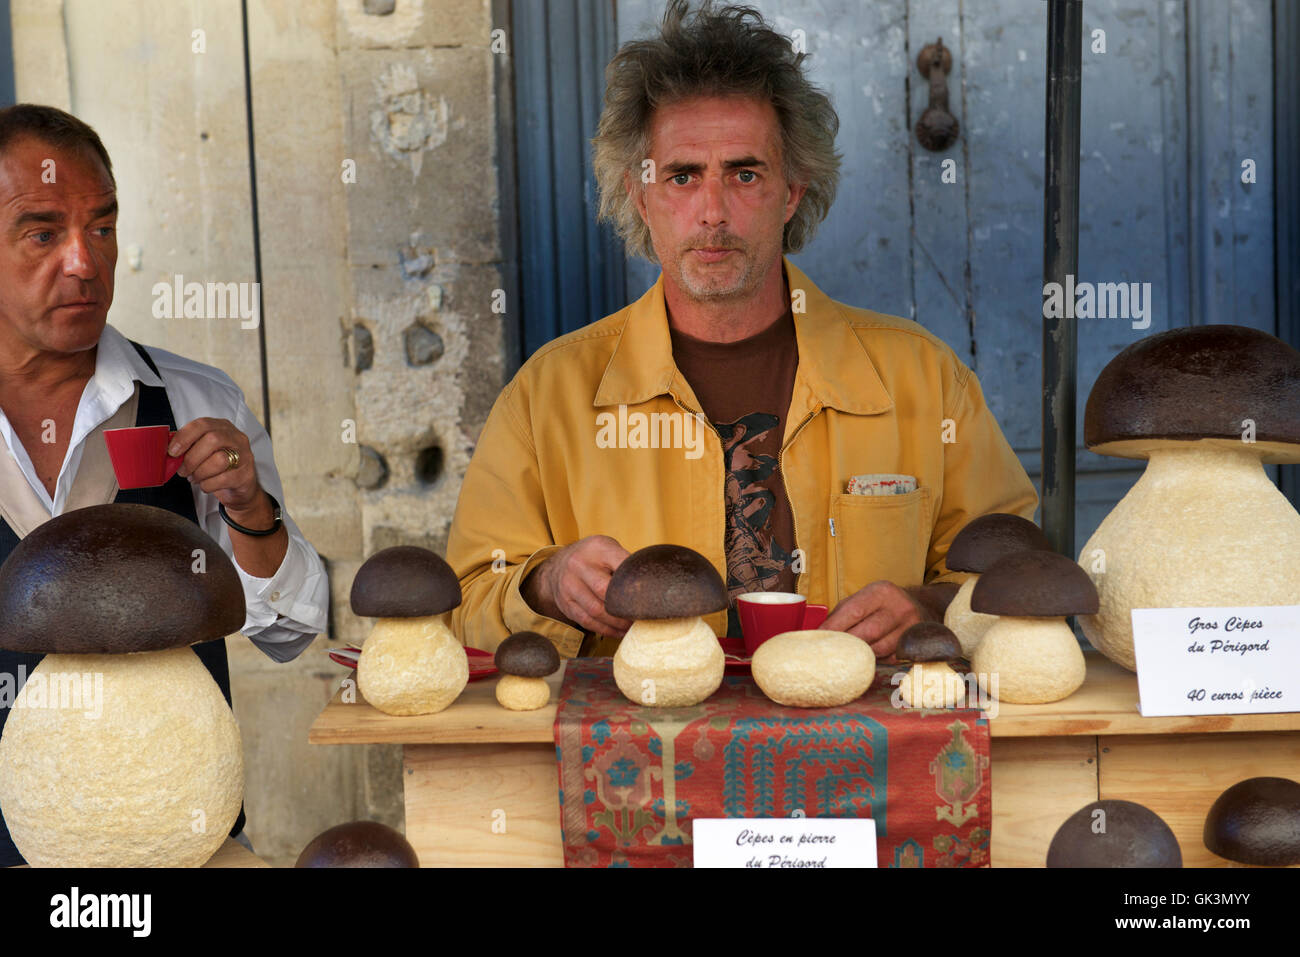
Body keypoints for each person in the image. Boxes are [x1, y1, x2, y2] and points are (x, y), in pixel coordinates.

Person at [446, 0, 1036, 659]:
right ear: (639, 195)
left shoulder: (923, 378)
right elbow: (461, 606)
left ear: (791, 192)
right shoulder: (546, 397)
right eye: (682, 176)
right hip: (641, 752)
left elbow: (1019, 576)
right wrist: (545, 584)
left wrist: (929, 608)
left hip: (865, 748)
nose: (713, 212)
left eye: (745, 173)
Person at [0, 103, 328, 866]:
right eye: (43, 233)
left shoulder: (193, 400)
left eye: (104, 228)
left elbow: (291, 632)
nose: (85, 262)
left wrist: (250, 508)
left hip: (181, 852)